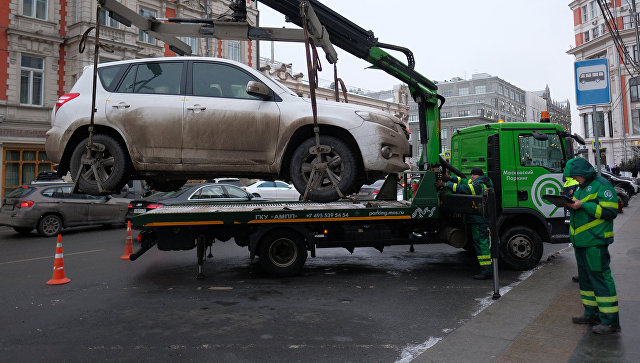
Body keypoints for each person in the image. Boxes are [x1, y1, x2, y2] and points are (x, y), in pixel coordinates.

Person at [564, 157, 621, 335]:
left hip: (595, 242)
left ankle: (611, 322)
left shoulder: (602, 185)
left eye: (575, 176)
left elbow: (610, 211)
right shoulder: (581, 188)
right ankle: (592, 314)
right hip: (582, 242)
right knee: (587, 280)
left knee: (600, 280)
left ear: (583, 173)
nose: (574, 180)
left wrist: (583, 205)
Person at [438, 167, 494, 280]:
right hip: (477, 220)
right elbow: (463, 181)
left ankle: (487, 271)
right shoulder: (480, 181)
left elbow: (466, 189)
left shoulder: (479, 185)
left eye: (473, 175)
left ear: (478, 175)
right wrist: (450, 178)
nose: (471, 177)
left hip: (479, 220)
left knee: (481, 245)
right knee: (479, 244)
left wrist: (446, 184)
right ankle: (486, 269)